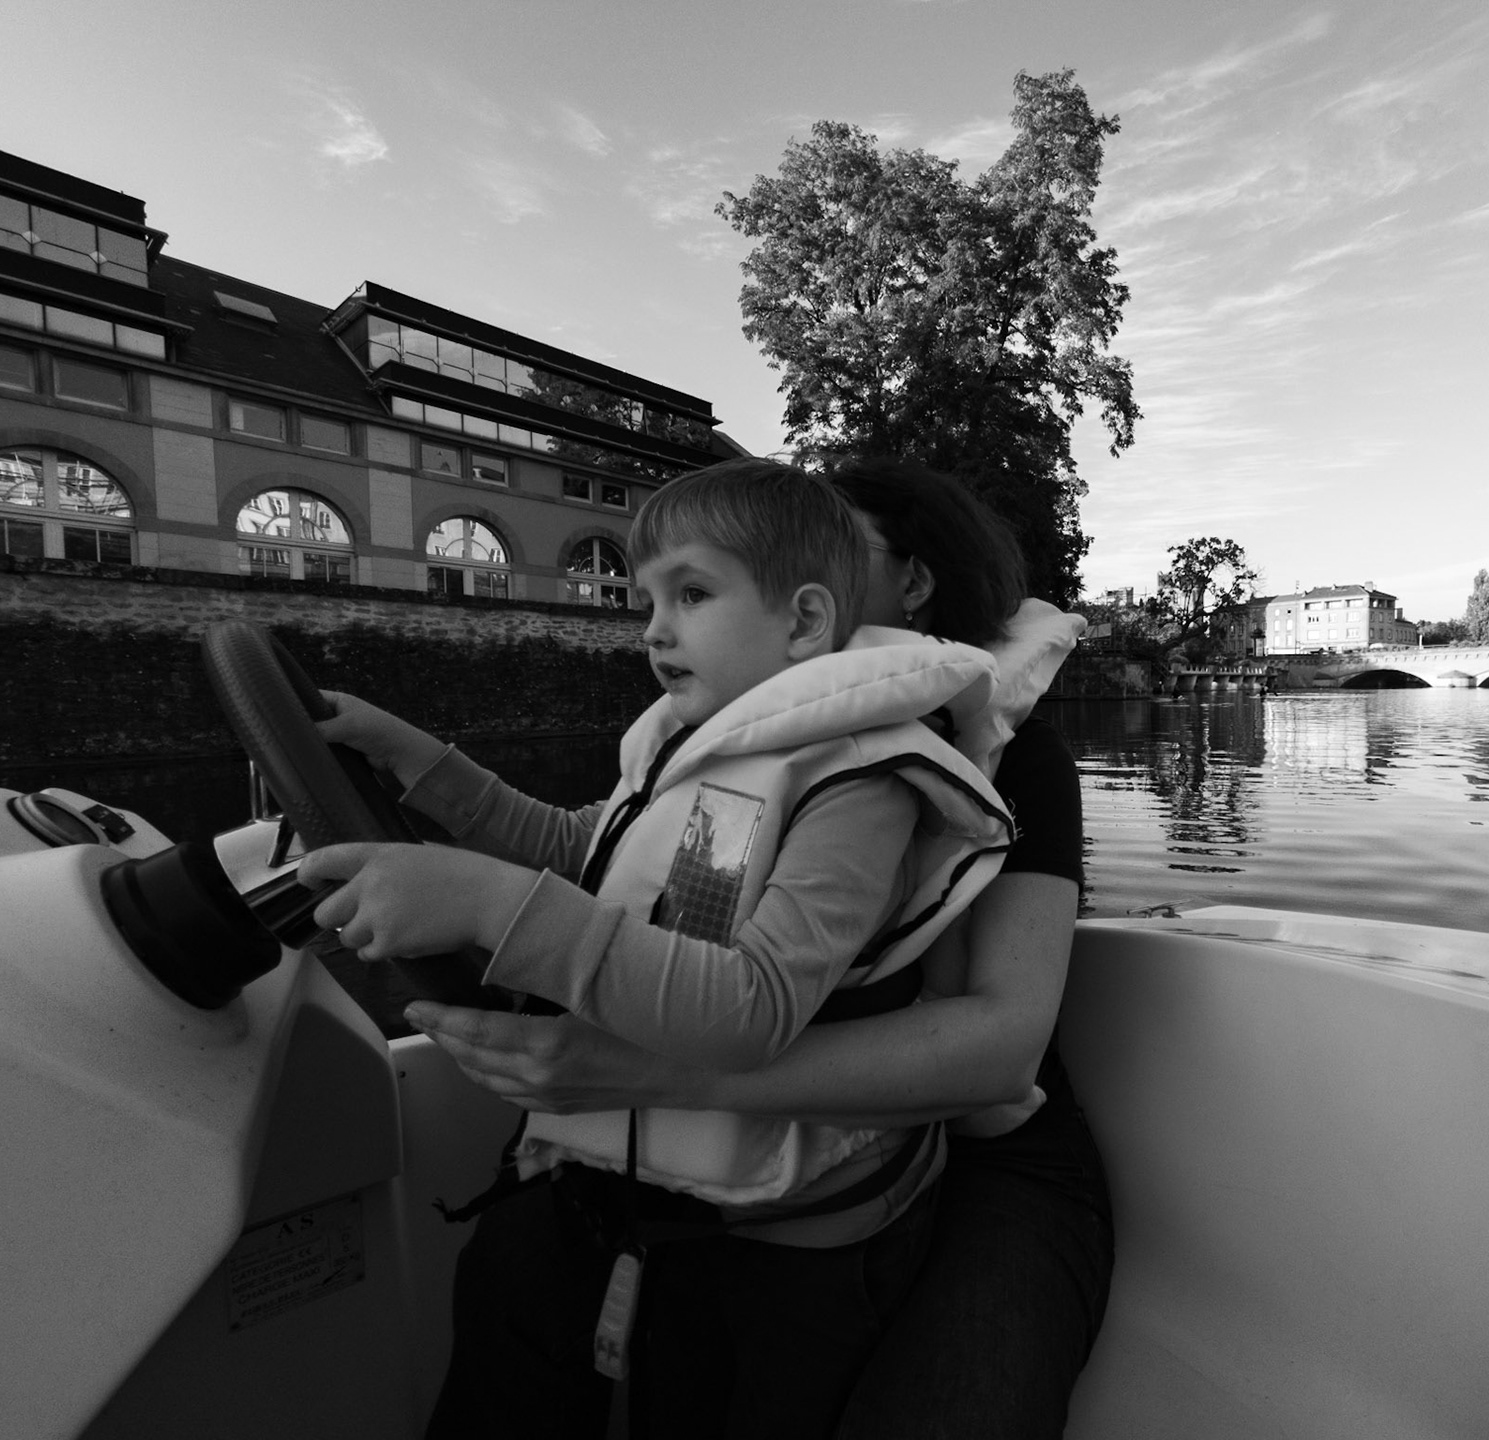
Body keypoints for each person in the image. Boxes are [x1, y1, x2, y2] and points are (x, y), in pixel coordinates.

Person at [298, 458, 1013, 1438]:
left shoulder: (860, 782)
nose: (653, 629)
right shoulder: (693, 740)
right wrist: (412, 758)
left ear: (805, 622)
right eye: (646, 601)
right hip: (636, 1191)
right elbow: (576, 848)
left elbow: (752, 1008)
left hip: (775, 1248)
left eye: (692, 594)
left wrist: (489, 906)